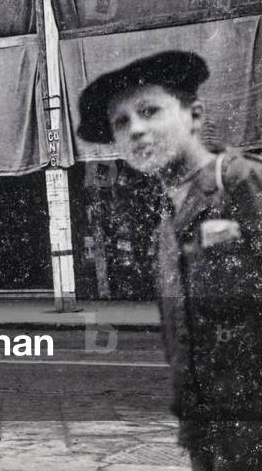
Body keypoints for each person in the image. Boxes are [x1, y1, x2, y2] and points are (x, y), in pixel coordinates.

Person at [77, 50, 262, 471]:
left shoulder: (241, 182)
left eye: (149, 111)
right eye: (121, 122)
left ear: (194, 116)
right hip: (210, 436)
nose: (136, 130)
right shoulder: (167, 225)